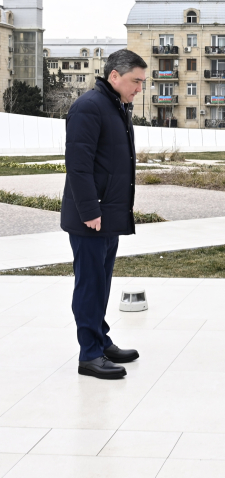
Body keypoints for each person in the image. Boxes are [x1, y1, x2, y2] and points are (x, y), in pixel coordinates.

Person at [61, 49, 147, 379]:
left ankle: (101, 340)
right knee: (90, 285)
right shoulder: (88, 107)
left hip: (107, 214)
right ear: (114, 76)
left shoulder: (115, 106)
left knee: (102, 283)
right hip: (92, 217)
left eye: (142, 82)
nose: (139, 88)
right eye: (135, 81)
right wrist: (89, 211)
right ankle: (90, 355)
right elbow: (78, 166)